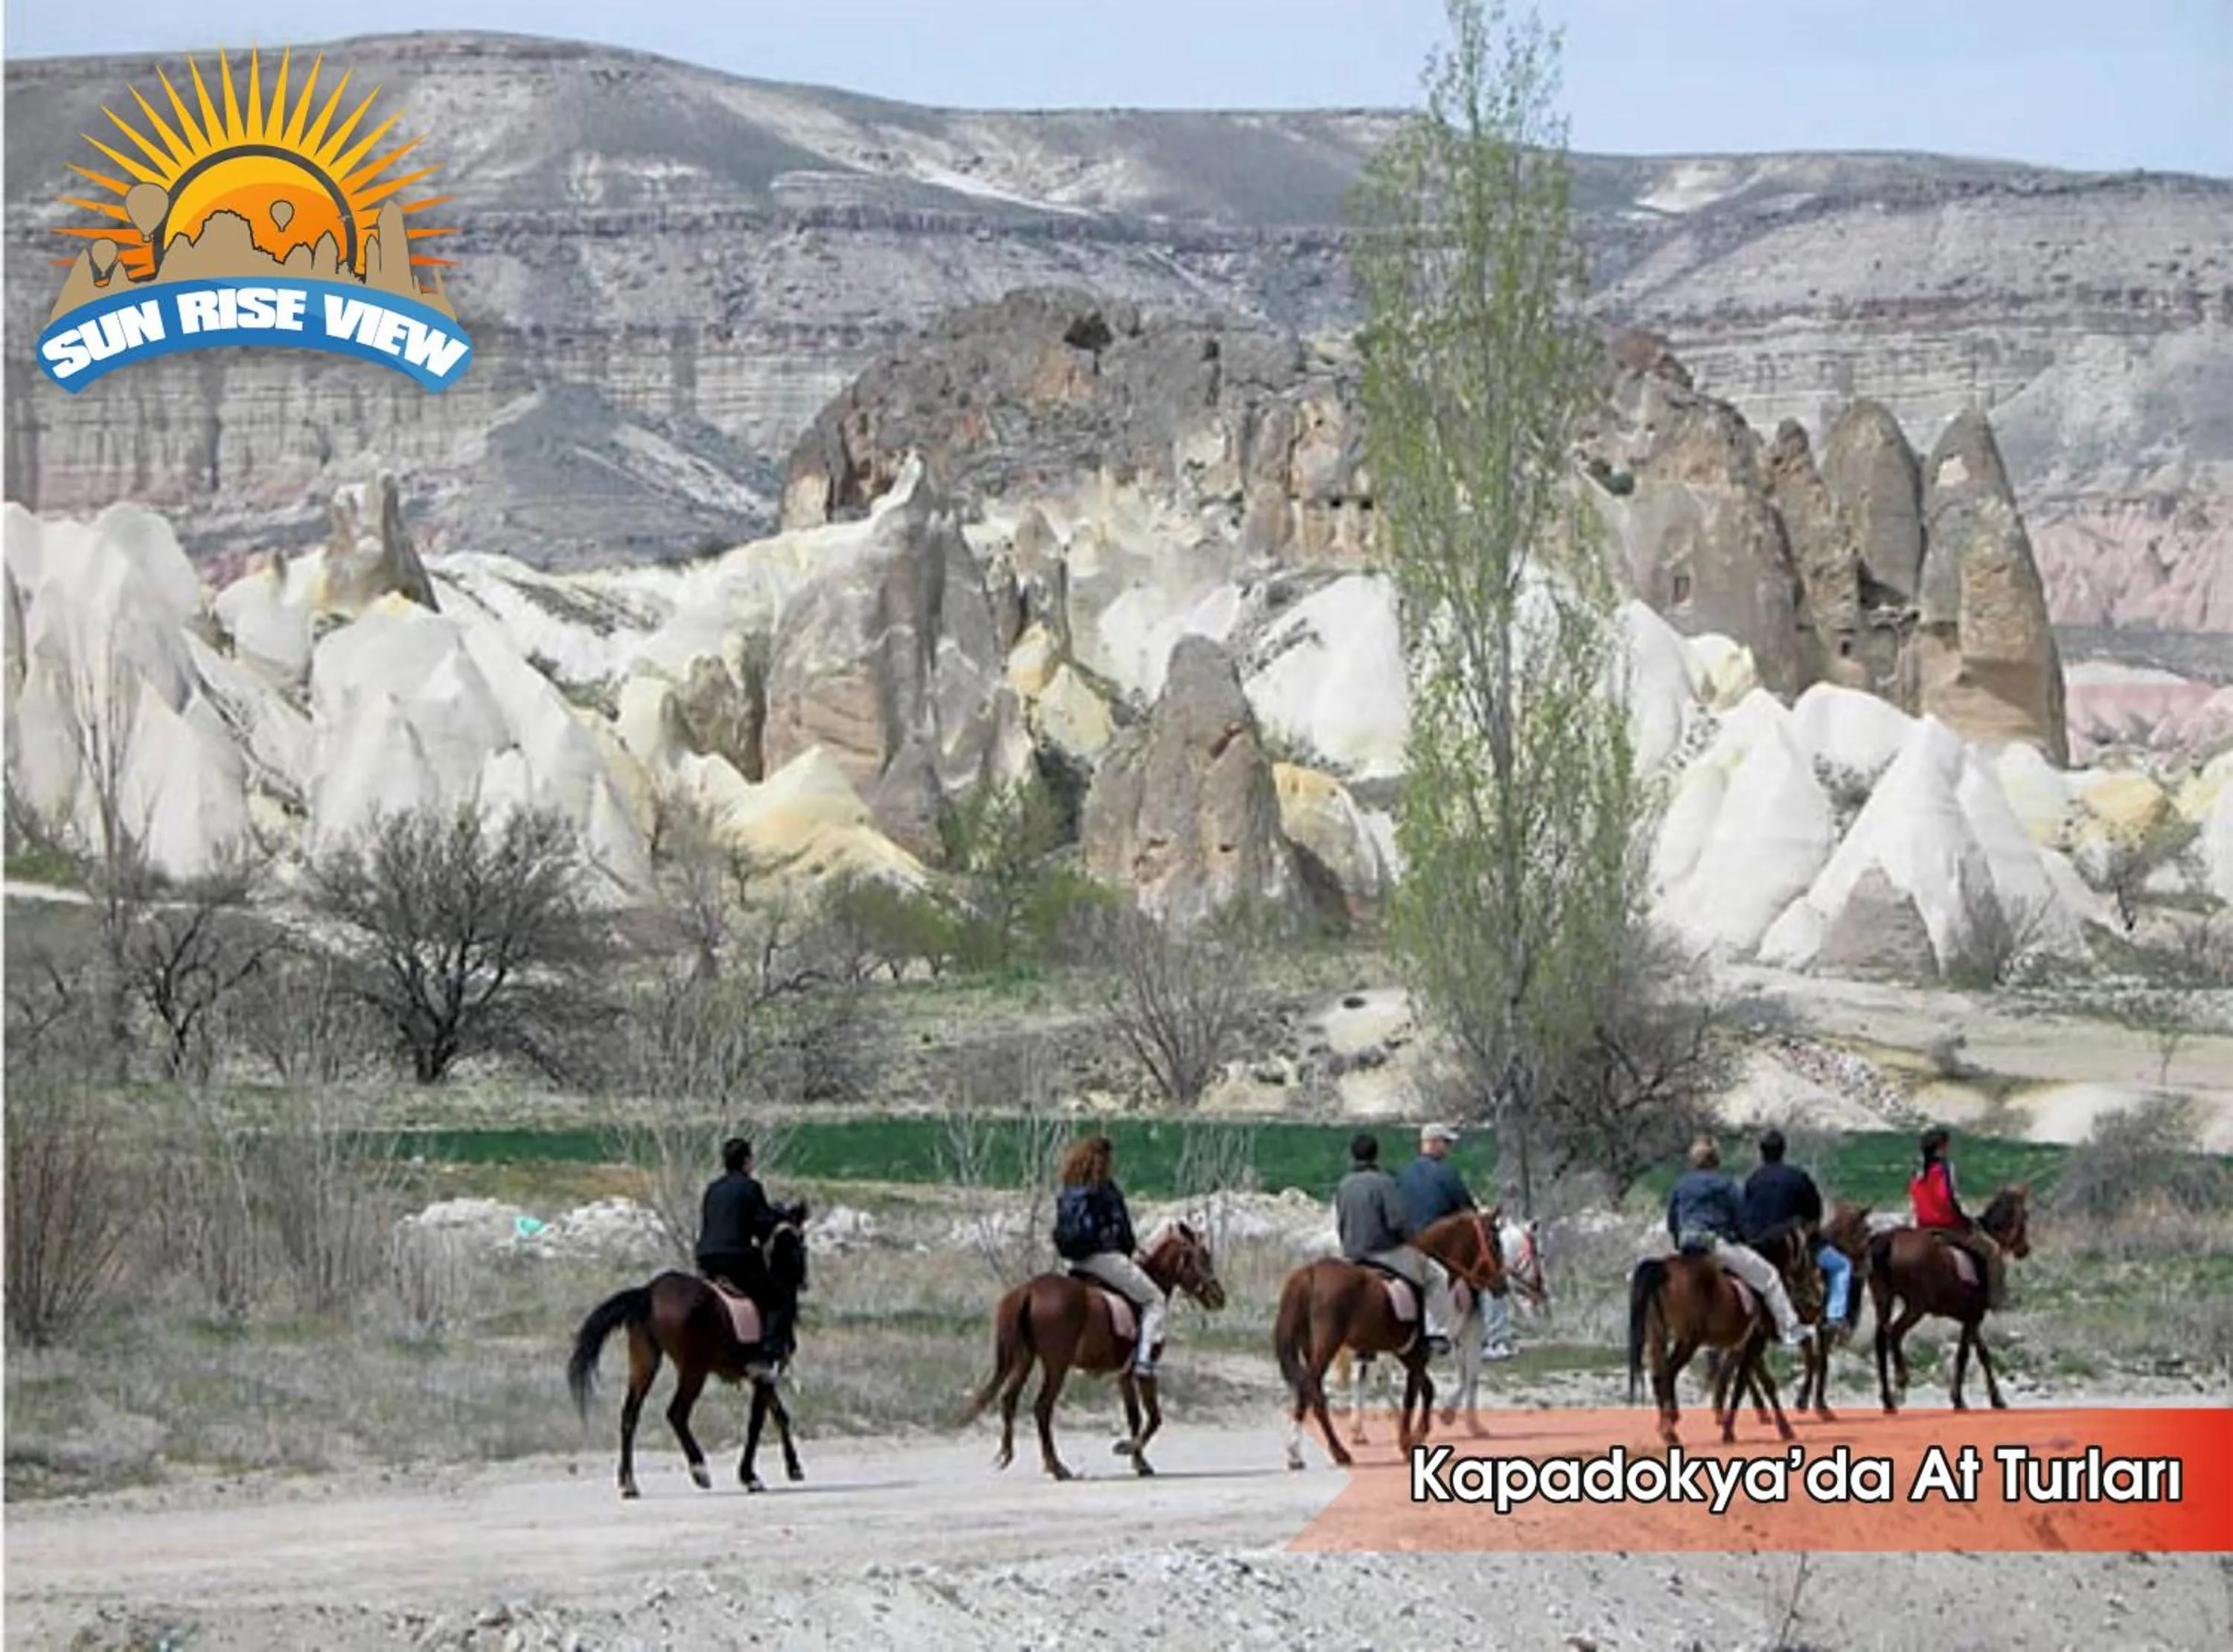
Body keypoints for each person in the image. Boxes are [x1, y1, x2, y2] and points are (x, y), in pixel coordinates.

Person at [1667, 1136, 1814, 1348]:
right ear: (1715, 1160)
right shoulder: (1725, 1184)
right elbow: (1741, 1219)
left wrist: (1679, 1241)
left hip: (1686, 1243)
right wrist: (1744, 1240)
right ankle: (1790, 1328)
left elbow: (1672, 1221)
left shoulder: (1681, 1184)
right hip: (1714, 1244)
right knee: (1770, 1277)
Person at [1052, 1135, 1166, 1380]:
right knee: (1154, 1299)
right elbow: (1123, 1232)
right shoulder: (1105, 1190)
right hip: (1104, 1258)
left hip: (1076, 1261)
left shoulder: (1070, 1187)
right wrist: (1129, 1249)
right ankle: (1144, 1362)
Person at [1396, 1124, 1514, 1360]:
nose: (1448, 1149)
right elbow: (1469, 1211)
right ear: (1435, 1143)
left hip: (1411, 1247)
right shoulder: (1446, 1173)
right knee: (1488, 1270)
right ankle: (1495, 1337)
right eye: (1446, 1143)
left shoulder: (1403, 1174)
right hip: (1445, 1247)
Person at [1335, 1132, 1457, 1352]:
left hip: (1351, 1252)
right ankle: (1435, 1332)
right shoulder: (1384, 1183)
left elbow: (1341, 1222)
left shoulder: (1344, 1184)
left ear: (1352, 1156)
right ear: (1376, 1156)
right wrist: (1411, 1239)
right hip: (1383, 1253)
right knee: (1437, 1277)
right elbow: (1396, 1221)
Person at [1742, 1128, 1850, 1343]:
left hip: (1756, 1245)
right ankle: (1834, 1317)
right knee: (1841, 1266)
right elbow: (1814, 1212)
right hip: (1790, 1245)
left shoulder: (1753, 1180)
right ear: (1784, 1151)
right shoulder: (1797, 1176)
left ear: (1762, 1153)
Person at [1910, 1125, 2007, 1310]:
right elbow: (1949, 1197)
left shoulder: (1917, 1171)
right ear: (1941, 1147)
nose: (1949, 1149)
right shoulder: (1945, 1168)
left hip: (1922, 1226)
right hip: (1948, 1226)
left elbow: (1916, 1197)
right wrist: (1966, 1219)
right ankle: (1998, 1302)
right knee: (1993, 1251)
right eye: (1947, 1145)